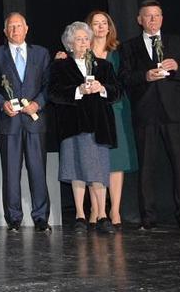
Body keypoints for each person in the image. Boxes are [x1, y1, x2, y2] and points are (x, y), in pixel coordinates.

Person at [119, 0, 180, 231]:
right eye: (148, 16)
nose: (153, 20)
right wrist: (145, 76)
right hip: (145, 111)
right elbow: (124, 78)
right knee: (147, 166)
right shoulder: (129, 47)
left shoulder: (176, 41)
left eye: (156, 15)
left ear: (162, 18)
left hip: (174, 111)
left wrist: (176, 68)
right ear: (139, 20)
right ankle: (148, 217)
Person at [0, 12, 51, 232]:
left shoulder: (41, 54)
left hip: (34, 122)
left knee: (38, 170)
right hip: (9, 122)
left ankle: (41, 217)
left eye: (18, 26)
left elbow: (48, 85)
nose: (14, 30)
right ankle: (14, 218)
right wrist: (2, 104)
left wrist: (37, 104)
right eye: (10, 27)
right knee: (11, 172)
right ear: (4, 32)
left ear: (26, 28)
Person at [50, 22, 120, 234]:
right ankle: (80, 215)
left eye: (85, 39)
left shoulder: (103, 66)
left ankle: (102, 215)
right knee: (75, 170)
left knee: (99, 170)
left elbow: (117, 91)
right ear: (70, 44)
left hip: (99, 125)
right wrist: (78, 90)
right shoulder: (60, 67)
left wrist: (103, 88)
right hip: (73, 125)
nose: (83, 42)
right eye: (78, 39)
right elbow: (53, 94)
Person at [86, 11, 137, 228]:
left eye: (103, 23)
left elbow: (124, 81)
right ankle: (97, 209)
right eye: (95, 24)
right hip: (89, 113)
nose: (99, 27)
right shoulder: (81, 52)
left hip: (115, 109)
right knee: (93, 161)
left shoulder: (118, 53)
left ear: (109, 27)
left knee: (116, 162)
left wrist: (104, 89)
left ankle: (115, 210)